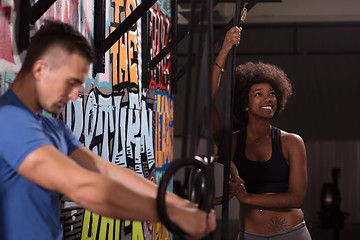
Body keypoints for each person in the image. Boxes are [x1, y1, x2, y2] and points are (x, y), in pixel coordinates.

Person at [0, 20, 215, 240]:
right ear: (40, 68)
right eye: (71, 82)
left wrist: (182, 204)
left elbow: (107, 171)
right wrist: (171, 214)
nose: (74, 96)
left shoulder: (52, 127)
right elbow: (81, 186)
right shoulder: (8, 119)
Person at [212, 26, 311, 240]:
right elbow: (206, 102)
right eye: (259, 94)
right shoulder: (234, 141)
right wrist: (224, 50)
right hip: (249, 235)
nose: (268, 98)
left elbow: (296, 198)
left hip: (291, 234)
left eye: (272, 94)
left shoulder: (292, 142)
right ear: (244, 103)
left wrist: (247, 198)